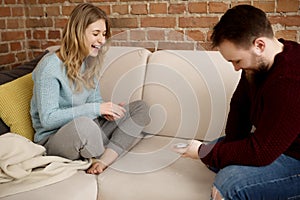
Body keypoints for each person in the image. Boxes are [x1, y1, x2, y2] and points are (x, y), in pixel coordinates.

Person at [173, 5, 300, 200]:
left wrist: (201, 152)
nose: (235, 68)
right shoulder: (257, 65)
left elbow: (262, 152)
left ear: (259, 45)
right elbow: (240, 107)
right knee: (212, 153)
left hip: (294, 157)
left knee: (229, 184)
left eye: (237, 61)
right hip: (273, 144)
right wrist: (218, 152)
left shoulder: (291, 79)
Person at [30, 3, 150, 175]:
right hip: (56, 138)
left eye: (103, 34)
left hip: (90, 128)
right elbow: (48, 119)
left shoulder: (88, 63)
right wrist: (96, 109)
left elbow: (94, 101)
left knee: (141, 108)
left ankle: (103, 160)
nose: (102, 40)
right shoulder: (49, 67)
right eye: (96, 34)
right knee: (85, 127)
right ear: (78, 32)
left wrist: (105, 110)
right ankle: (112, 145)